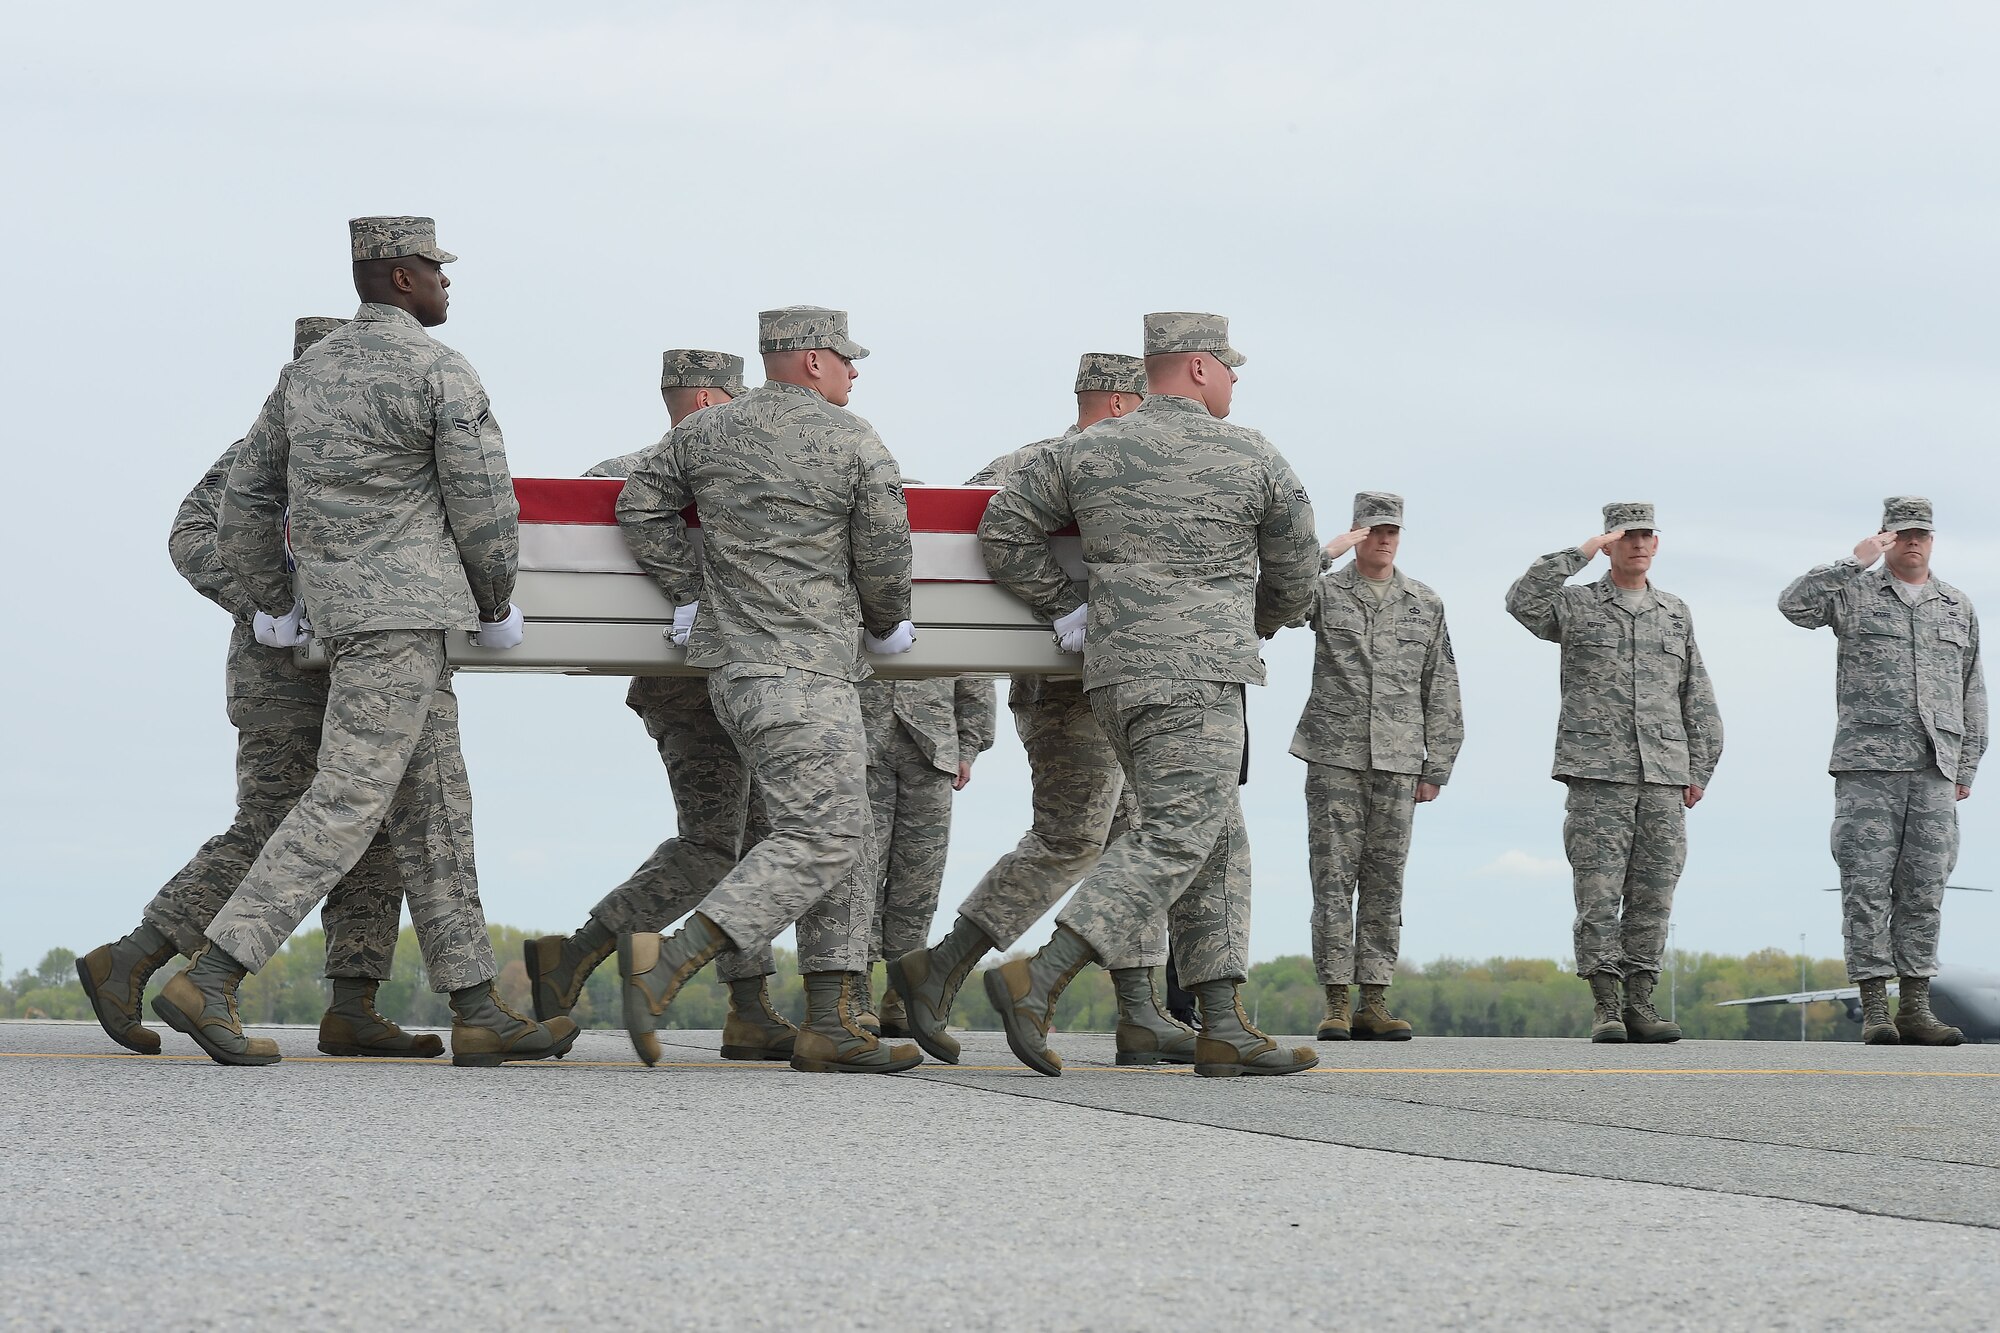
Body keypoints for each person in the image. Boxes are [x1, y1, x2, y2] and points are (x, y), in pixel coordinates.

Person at [150, 216, 575, 1068]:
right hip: (409, 619)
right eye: (435, 269)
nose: (447, 282)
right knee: (345, 802)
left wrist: (277, 600)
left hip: (346, 622)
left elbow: (243, 503)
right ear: (399, 279)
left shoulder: (303, 375)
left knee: (437, 810)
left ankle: (478, 1006)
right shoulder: (439, 369)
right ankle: (214, 973)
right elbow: (484, 504)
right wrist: (496, 599)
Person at [77, 317, 436, 1060]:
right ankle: (134, 955)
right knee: (276, 820)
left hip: (359, 665)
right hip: (279, 675)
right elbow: (191, 532)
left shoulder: (373, 455)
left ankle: (353, 1000)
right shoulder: (261, 448)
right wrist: (261, 600)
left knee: (375, 826)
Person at [977, 312, 1322, 1078]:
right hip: (1199, 676)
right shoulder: (1251, 452)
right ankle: (1039, 978)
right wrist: (1246, 623)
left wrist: (1071, 606)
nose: (1235, 380)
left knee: (1212, 832)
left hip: (1114, 677)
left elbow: (1004, 531)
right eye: (1229, 366)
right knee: (1175, 832)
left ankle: (1224, 1022)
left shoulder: (1086, 449)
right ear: (1198, 368)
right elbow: (1297, 575)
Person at [613, 306, 922, 1075]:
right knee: (828, 835)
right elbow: (886, 551)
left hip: (734, 671)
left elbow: (636, 502)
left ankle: (830, 1022)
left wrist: (691, 591)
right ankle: (672, 962)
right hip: (810, 672)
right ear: (814, 361)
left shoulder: (703, 431)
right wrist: (888, 621)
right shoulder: (854, 438)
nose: (856, 372)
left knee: (829, 829)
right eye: (847, 359)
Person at [887, 352, 1181, 1066]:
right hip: (1065, 689)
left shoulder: (1016, 464)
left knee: (1130, 838)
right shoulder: (1041, 463)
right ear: (1118, 403)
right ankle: (942, 966)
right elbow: (976, 545)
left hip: (1121, 680)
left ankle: (1141, 1010)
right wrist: (1060, 607)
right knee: (1072, 835)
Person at [522, 351, 800, 1062]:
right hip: (707, 685)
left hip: (687, 683)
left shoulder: (611, 472)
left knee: (762, 843)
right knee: (715, 844)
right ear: (711, 398)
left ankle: (748, 1004)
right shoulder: (735, 463)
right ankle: (578, 953)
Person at [1505, 503, 1722, 1043]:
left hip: (1664, 775)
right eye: (1628, 537)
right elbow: (1521, 601)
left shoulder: (1674, 612)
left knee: (1655, 893)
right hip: (1598, 773)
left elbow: (1696, 693)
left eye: (1648, 536)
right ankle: (1606, 1004)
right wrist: (1577, 554)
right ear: (1610, 543)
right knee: (1598, 892)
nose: (1640, 545)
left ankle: (1641, 1001)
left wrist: (1699, 768)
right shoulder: (1577, 605)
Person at [1778, 497, 1986, 1045]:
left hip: (1935, 768)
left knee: (1925, 888)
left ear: (1933, 540)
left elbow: (1974, 691)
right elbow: (1793, 607)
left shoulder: (1956, 606)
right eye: (1900, 533)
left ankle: (1916, 1007)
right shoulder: (1853, 593)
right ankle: (1875, 1007)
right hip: (1868, 766)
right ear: (1885, 537)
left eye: (1920, 533)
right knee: (1865, 888)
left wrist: (1967, 765)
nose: (1911, 542)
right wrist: (1854, 561)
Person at [1291, 491, 1463, 1041]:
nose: (1384, 538)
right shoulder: (1325, 592)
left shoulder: (1424, 603)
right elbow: (1276, 598)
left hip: (1399, 759)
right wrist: (1325, 552)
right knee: (1333, 882)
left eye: (1392, 530)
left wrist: (1438, 763)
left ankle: (1374, 1000)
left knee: (1386, 884)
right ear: (1358, 532)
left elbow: (1442, 684)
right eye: (1374, 529)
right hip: (1334, 755)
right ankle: (1337, 1002)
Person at [855, 670, 994, 1036]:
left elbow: (972, 669)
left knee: (919, 879)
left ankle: (900, 996)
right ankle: (854, 992)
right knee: (858, 872)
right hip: (861, 741)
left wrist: (969, 745)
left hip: (932, 749)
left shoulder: (961, 609)